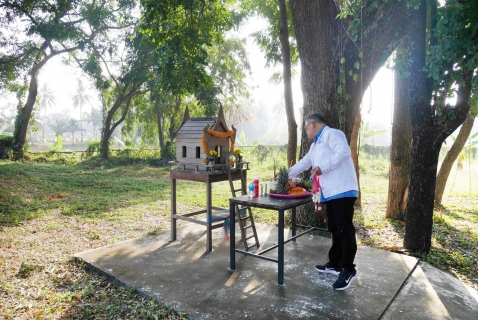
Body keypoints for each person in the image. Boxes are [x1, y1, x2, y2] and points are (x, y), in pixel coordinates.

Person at [288, 113, 359, 291]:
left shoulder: (332, 134)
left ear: (312, 124)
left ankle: (348, 269)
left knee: (344, 229)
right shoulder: (315, 146)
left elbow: (344, 152)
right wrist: (286, 175)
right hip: (331, 192)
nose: (306, 131)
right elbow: (304, 163)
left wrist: (323, 167)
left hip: (343, 189)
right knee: (334, 228)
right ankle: (335, 263)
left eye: (305, 128)